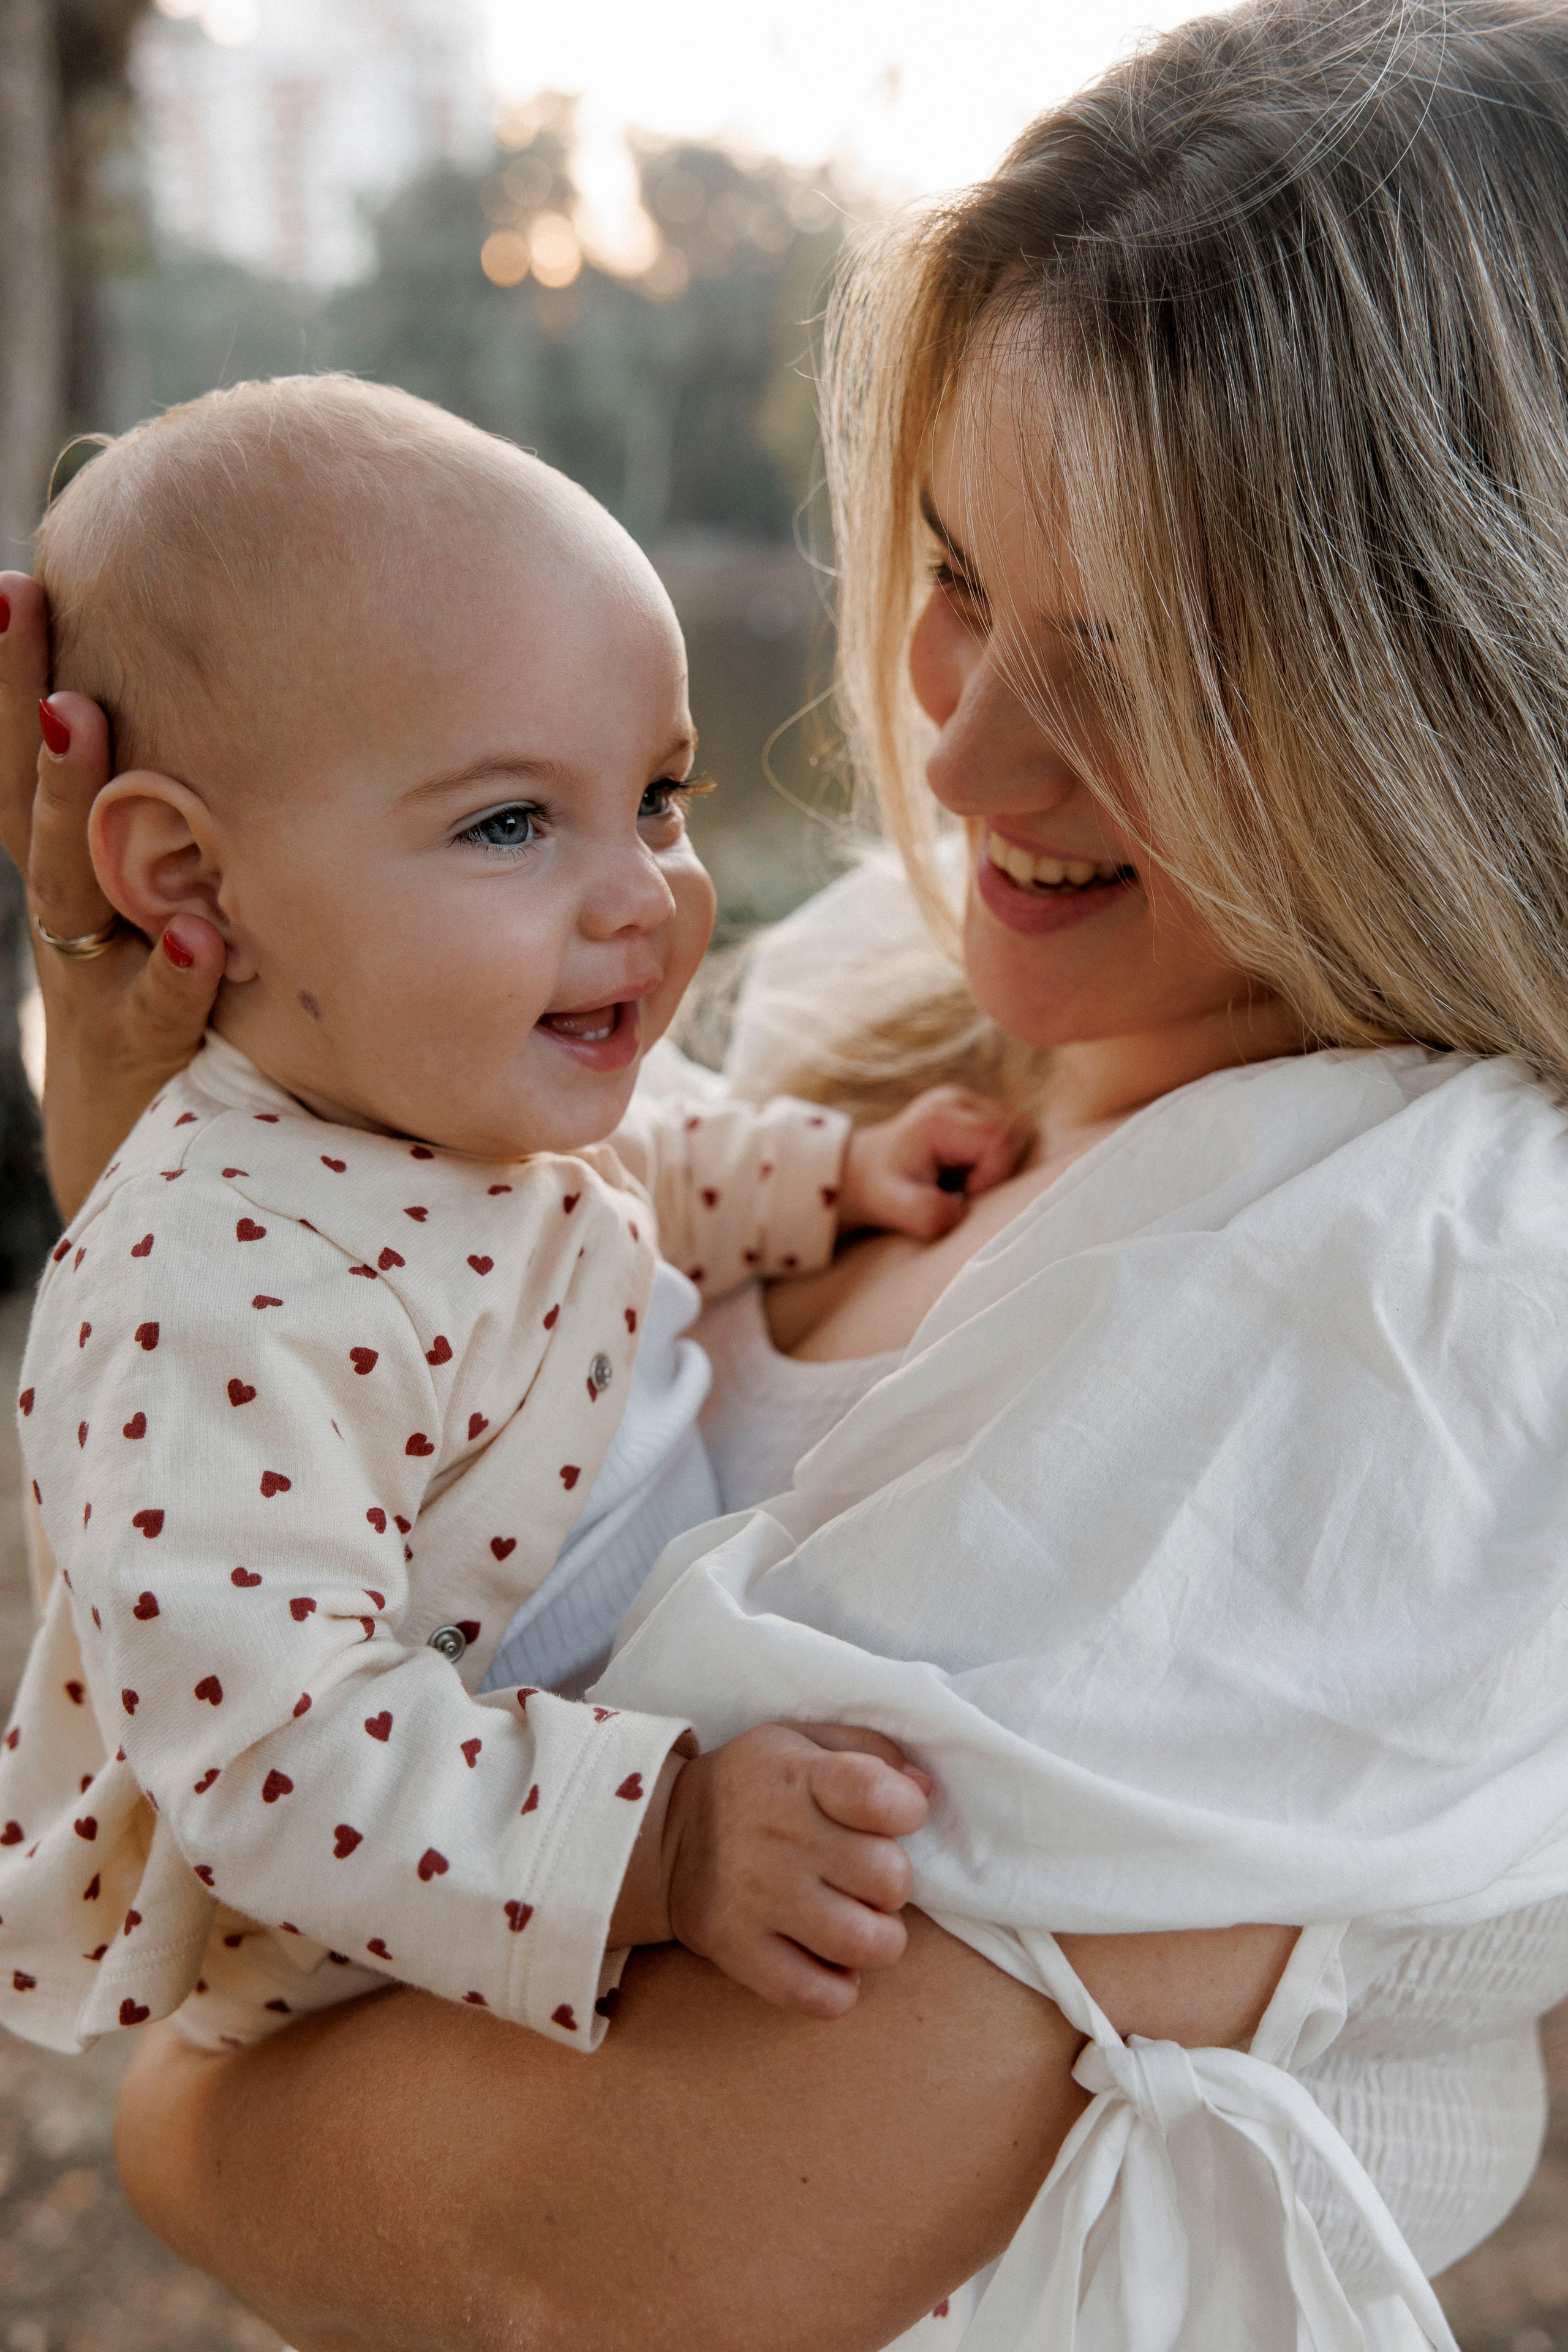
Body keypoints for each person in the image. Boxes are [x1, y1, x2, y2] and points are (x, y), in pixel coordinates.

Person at [5, 1, 1568, 2345]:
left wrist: (190, 2127)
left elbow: (592, 2249)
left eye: (1138, 660)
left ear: (1437, 693)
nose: (956, 747)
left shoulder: (1435, 1261)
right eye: (956, 573)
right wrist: (211, 1165)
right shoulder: (897, 982)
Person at [1, 372, 1025, 2056]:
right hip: (420, 1943)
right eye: (510, 822)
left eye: (662, 799)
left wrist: (829, 1176)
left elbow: (647, 1176)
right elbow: (280, 1760)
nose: (643, 892)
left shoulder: (469, 1080)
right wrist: (663, 1845)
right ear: (189, 882)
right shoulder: (199, 1299)